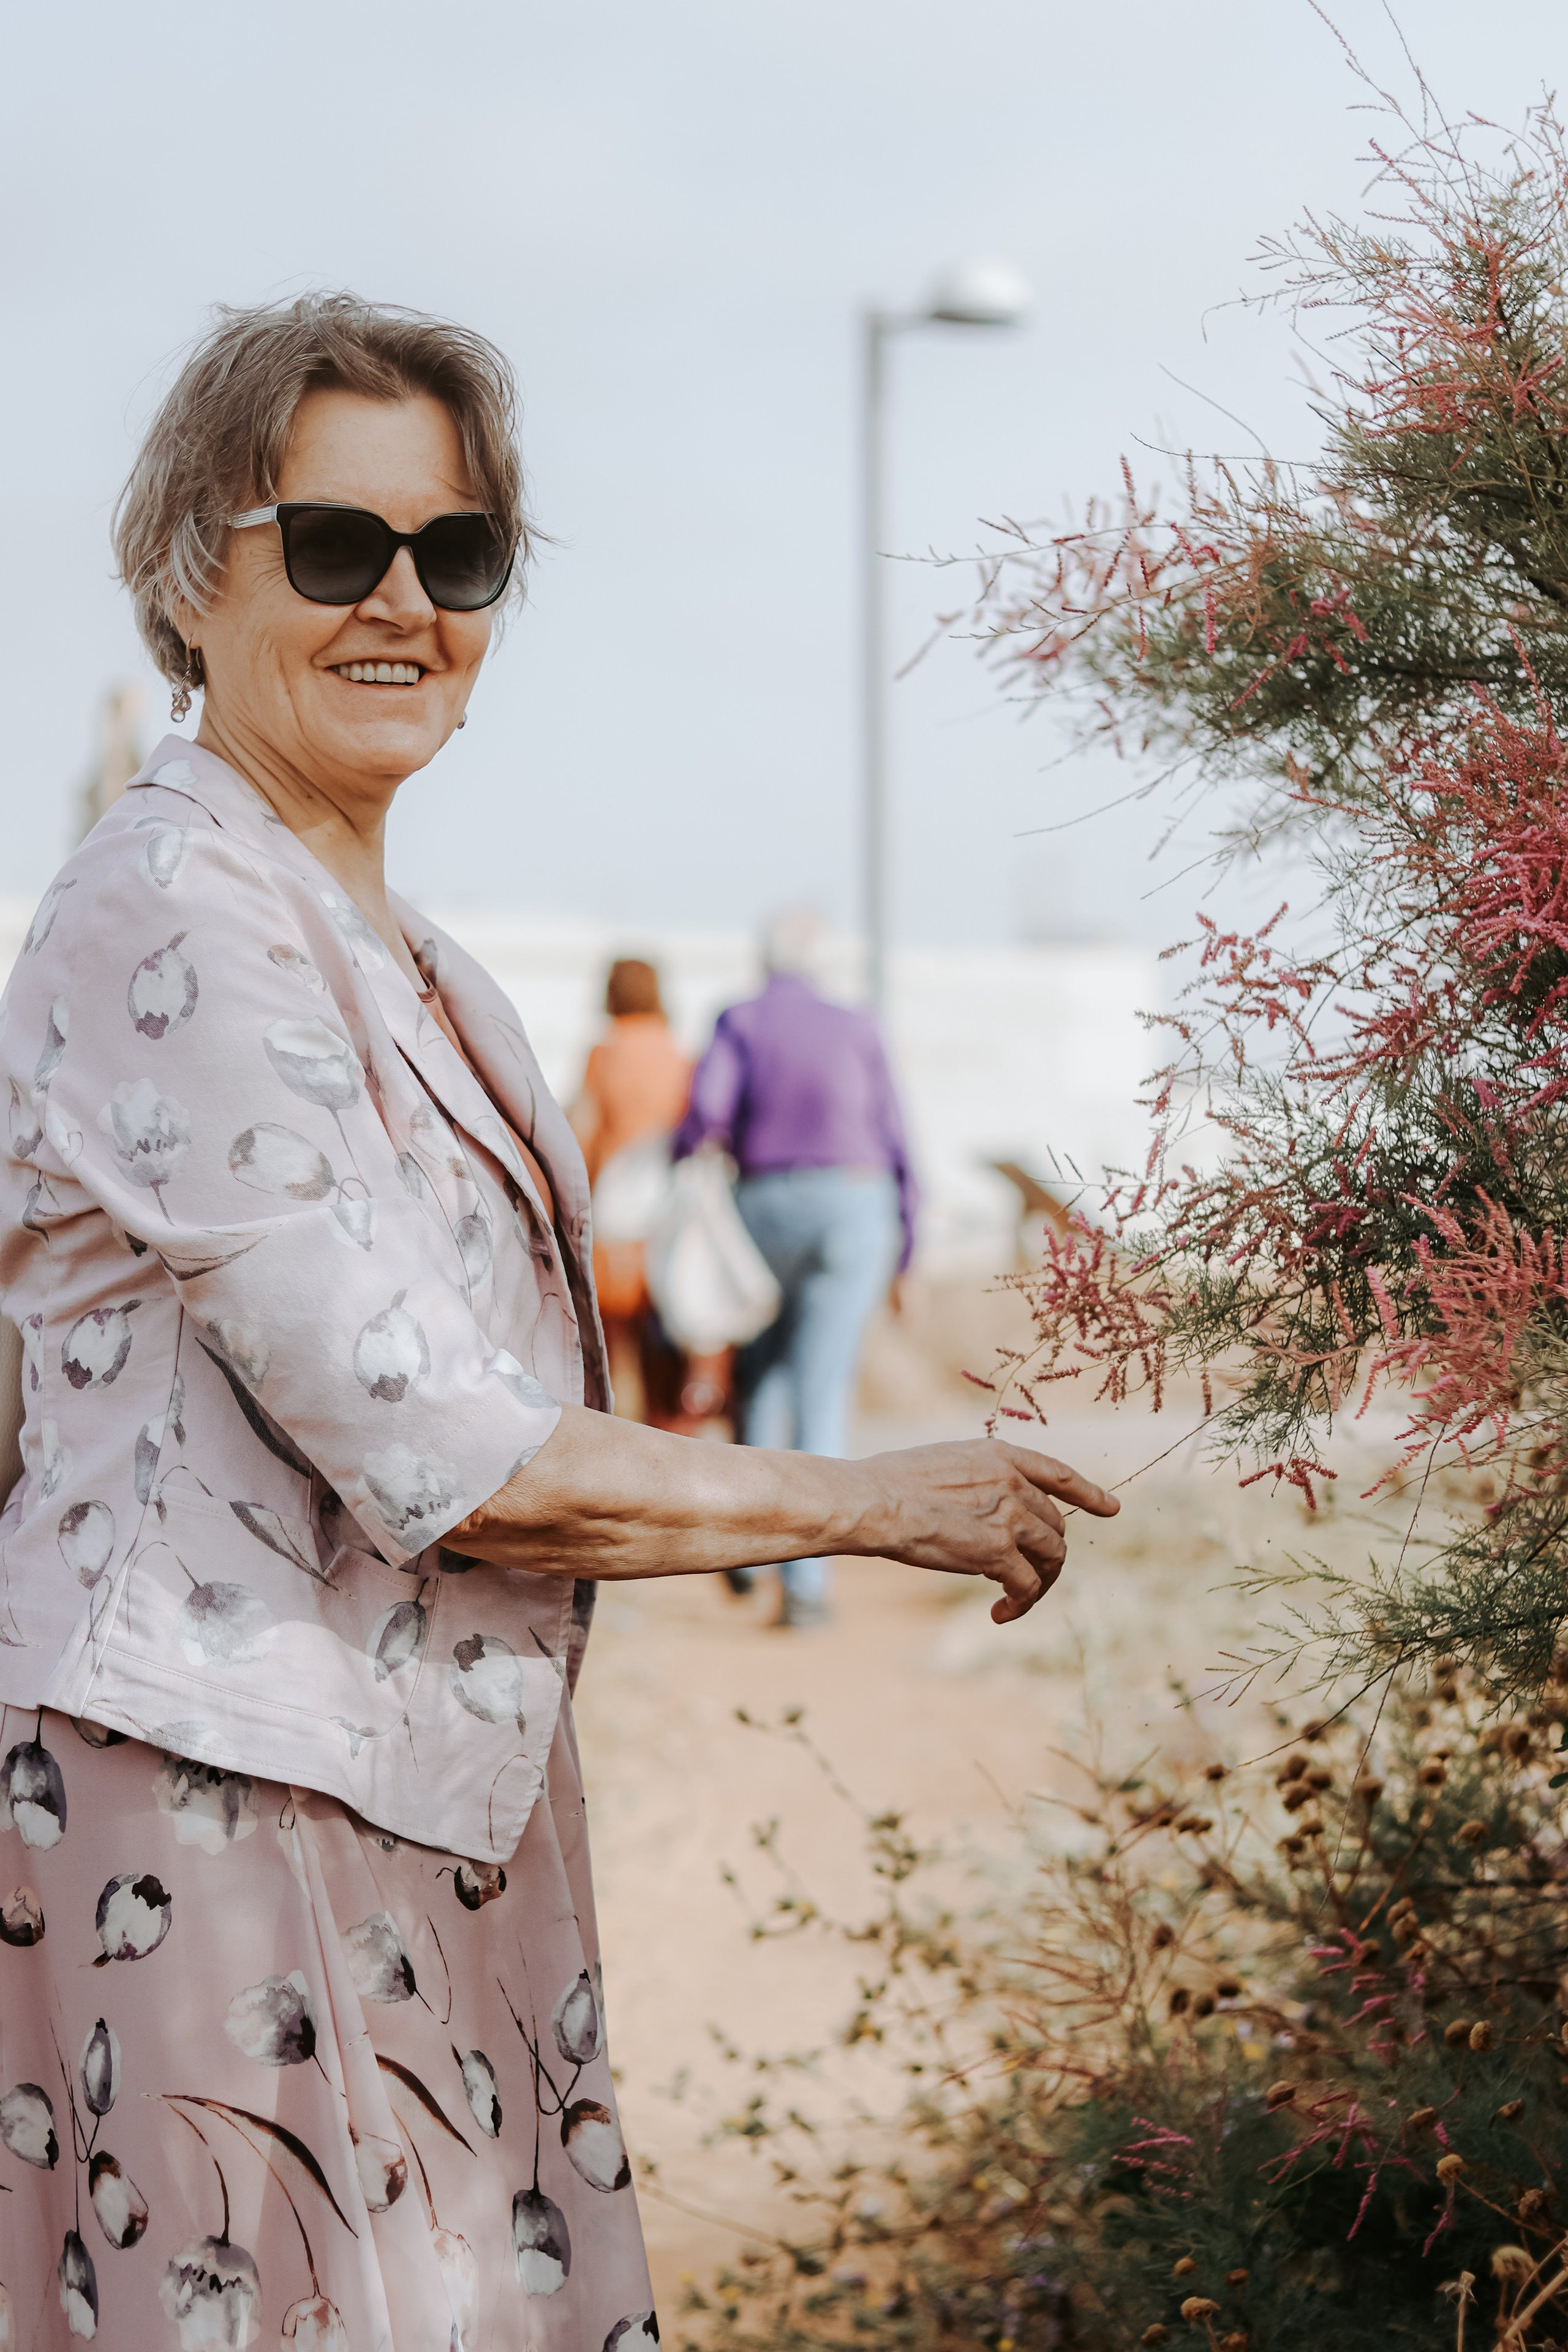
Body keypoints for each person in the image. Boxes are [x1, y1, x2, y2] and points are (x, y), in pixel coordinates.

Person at [0, 293, 1117, 2348]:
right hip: (218, 1808)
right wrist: (880, 1502)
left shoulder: (418, 959)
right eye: (335, 544)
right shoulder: (169, 910)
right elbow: (442, 1445)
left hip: (416, 1793)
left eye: (460, 554)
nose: (402, 602)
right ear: (192, 573)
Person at [672, 907, 918, 1627]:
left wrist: (681, 1163)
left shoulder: (737, 1019)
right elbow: (899, 1137)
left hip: (764, 1204)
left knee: (768, 1380)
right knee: (821, 1387)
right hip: (854, 1204)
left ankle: (751, 1550)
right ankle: (806, 1591)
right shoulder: (859, 1023)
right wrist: (912, 1247)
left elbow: (704, 1117)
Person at [569, 958, 716, 1430]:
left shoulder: (604, 1053)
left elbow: (582, 1131)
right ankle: (670, 1451)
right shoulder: (683, 1055)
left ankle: (614, 1455)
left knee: (612, 1355)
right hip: (671, 1218)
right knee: (666, 1350)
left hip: (617, 1220)